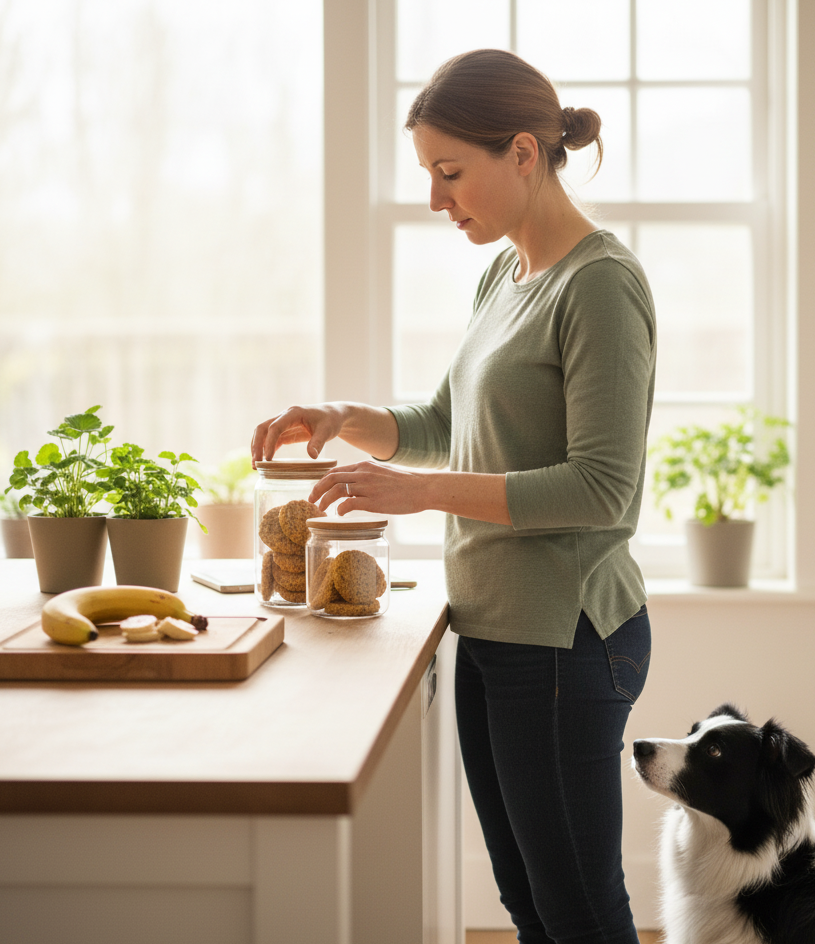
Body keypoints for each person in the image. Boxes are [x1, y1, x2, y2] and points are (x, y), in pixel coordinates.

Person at [251, 48, 656, 944]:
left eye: (450, 173)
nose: (438, 200)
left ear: (521, 151)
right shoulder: (504, 275)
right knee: (530, 904)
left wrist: (417, 493)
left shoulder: (599, 285)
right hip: (493, 630)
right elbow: (446, 419)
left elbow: (602, 489)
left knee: (581, 911)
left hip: (564, 638)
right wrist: (341, 415)